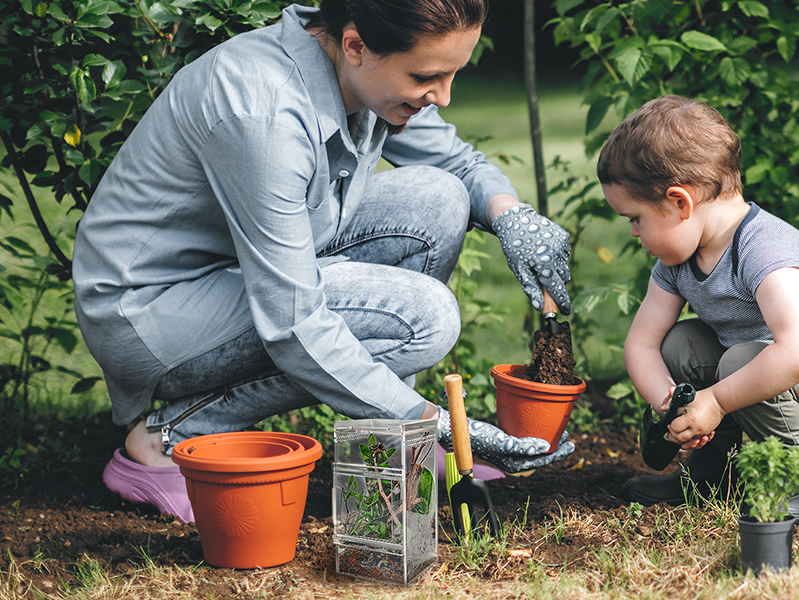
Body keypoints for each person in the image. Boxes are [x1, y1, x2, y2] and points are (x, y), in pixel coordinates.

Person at [73, 0, 575, 523]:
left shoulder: (358, 72)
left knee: (439, 198)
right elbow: (294, 322)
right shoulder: (264, 110)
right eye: (427, 76)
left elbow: (454, 163)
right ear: (356, 45)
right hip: (152, 312)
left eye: (452, 75)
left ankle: (386, 441)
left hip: (242, 275)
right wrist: (434, 421)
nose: (443, 96)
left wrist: (512, 217)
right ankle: (166, 438)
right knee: (424, 316)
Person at [597, 96, 799, 519]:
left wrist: (715, 403)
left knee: (740, 362)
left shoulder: (761, 247)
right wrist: (675, 407)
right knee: (681, 342)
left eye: (636, 218)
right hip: (776, 361)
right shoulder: (677, 260)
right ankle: (712, 474)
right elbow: (642, 345)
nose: (632, 232)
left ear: (681, 202)